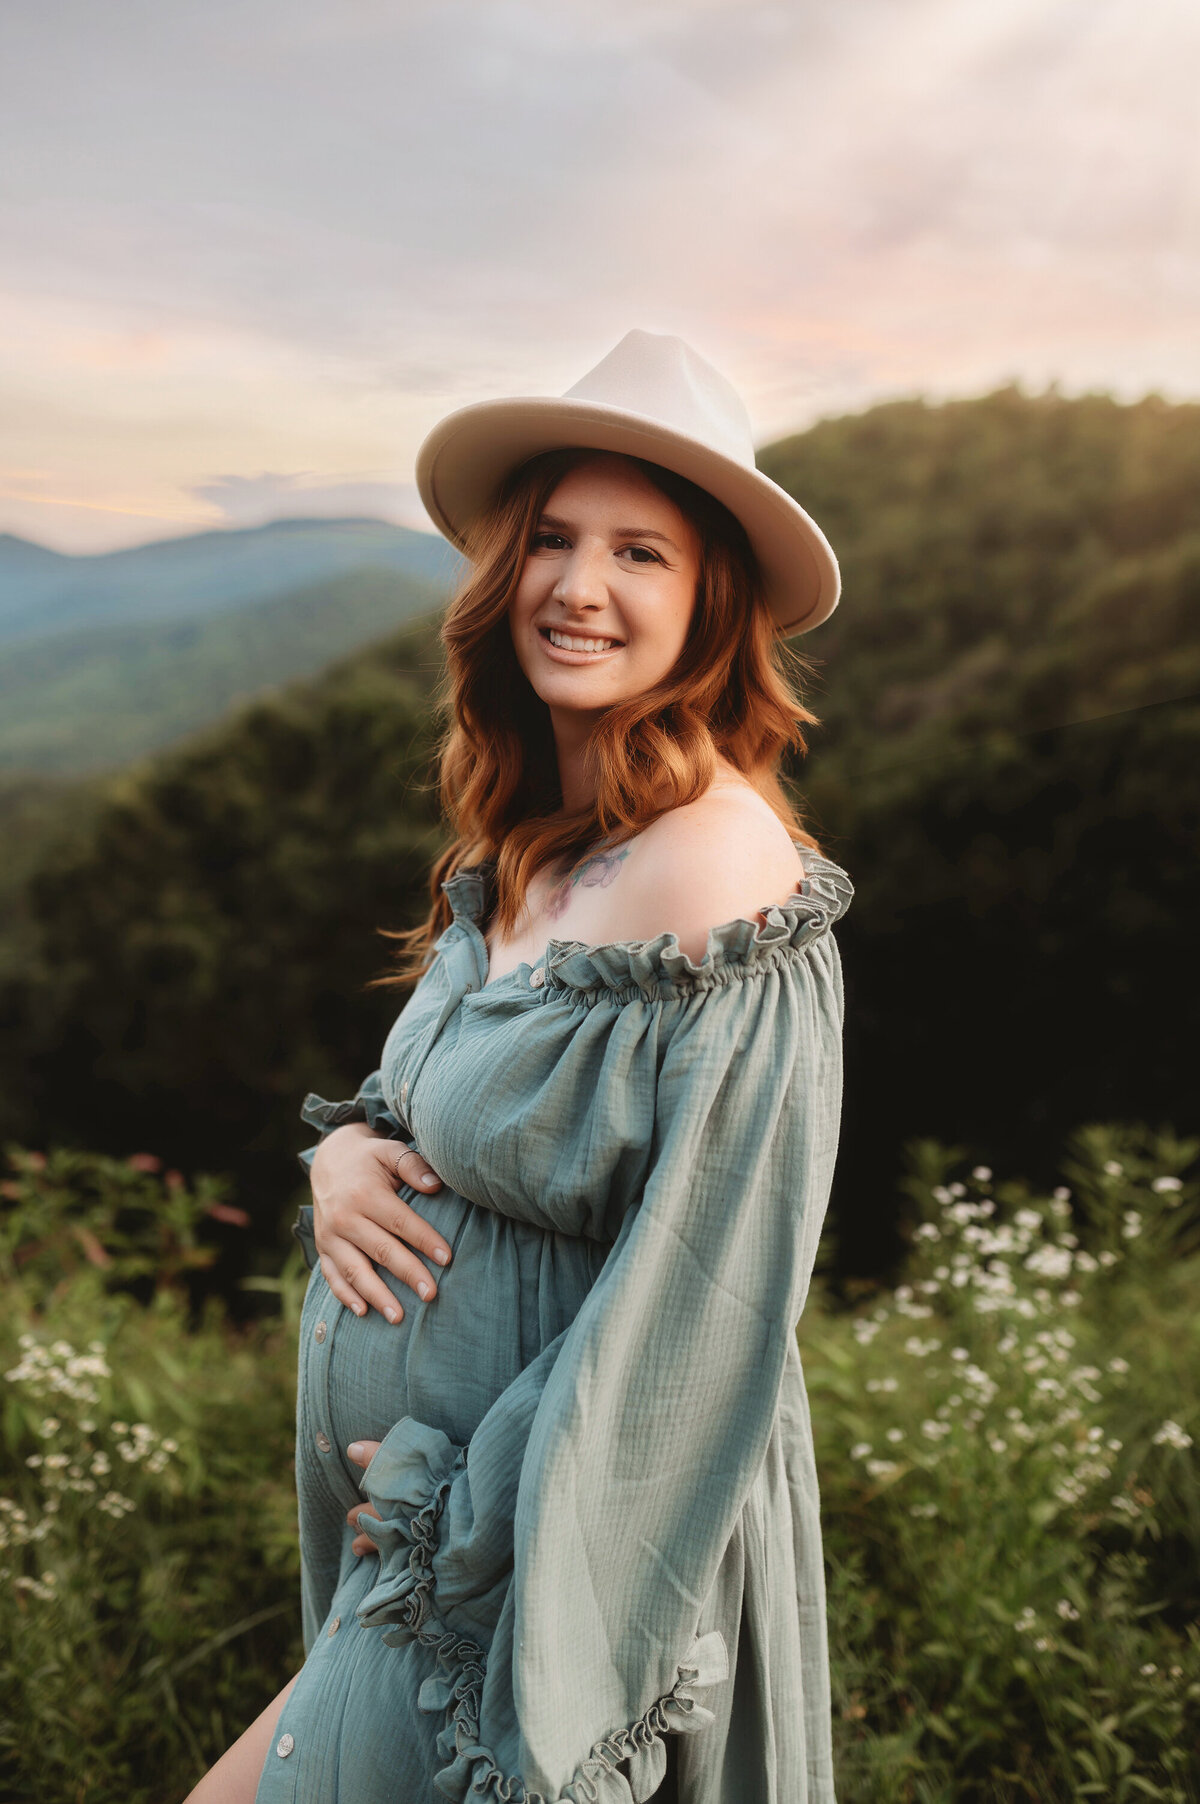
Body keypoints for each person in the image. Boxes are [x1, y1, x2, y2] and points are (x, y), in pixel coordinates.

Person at [186, 329, 852, 1804]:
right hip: (423, 1552)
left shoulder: (724, 874)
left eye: (641, 554)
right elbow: (443, 1095)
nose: (581, 584)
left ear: (711, 605)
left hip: (547, 1558)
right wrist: (342, 1151)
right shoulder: (525, 855)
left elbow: (713, 1289)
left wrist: (470, 1517)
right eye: (553, 538)